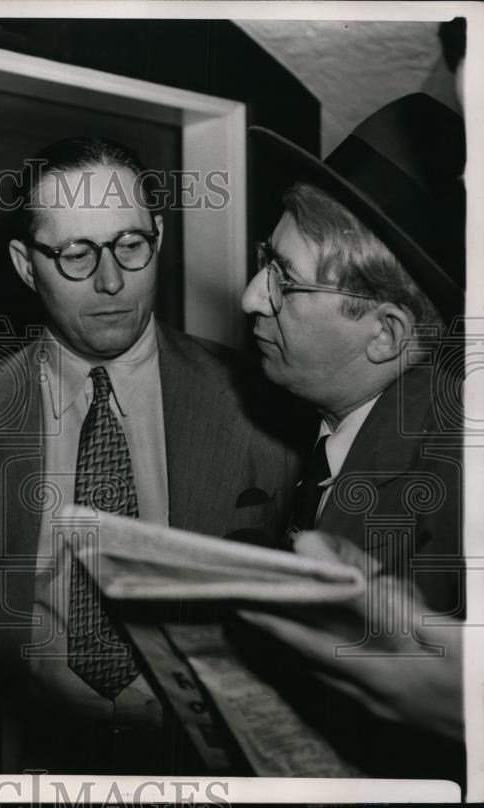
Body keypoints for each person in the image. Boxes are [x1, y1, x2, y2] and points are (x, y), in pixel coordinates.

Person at [0, 137, 304, 774]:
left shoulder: (264, 410)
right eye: (75, 253)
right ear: (25, 265)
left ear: (158, 234)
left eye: (131, 245)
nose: (110, 281)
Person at [238, 92, 466, 780]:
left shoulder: (450, 491)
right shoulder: (354, 437)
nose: (251, 297)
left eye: (285, 281)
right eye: (264, 261)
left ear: (387, 334)